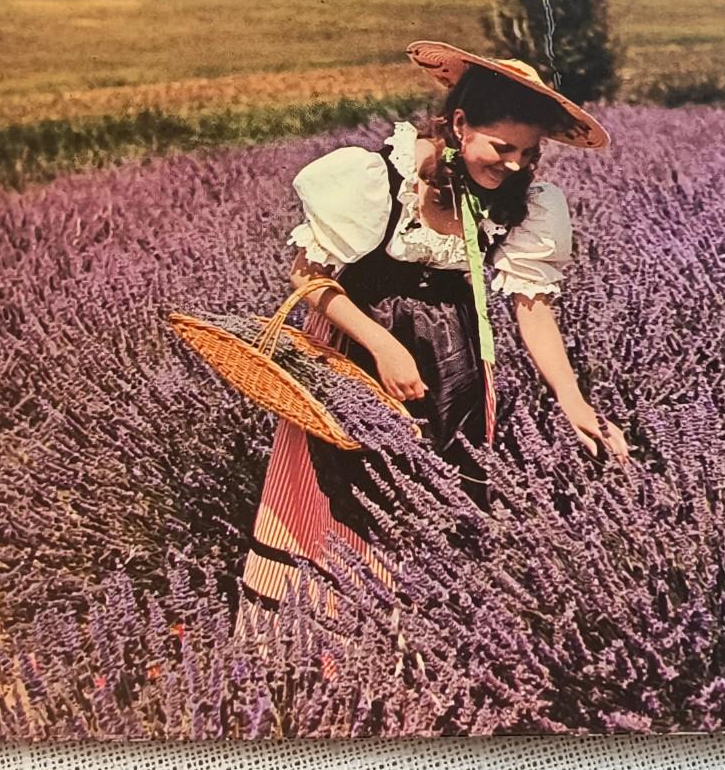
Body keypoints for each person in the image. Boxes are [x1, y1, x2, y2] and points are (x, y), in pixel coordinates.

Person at [237, 41, 630, 628]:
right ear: (460, 123)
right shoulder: (380, 175)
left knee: (433, 495)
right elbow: (307, 277)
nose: (516, 165)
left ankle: (407, 647)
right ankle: (309, 648)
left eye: (529, 152)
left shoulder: (526, 201)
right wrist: (382, 344)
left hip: (454, 364)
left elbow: (532, 306)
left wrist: (572, 401)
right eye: (502, 148)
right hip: (357, 352)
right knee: (338, 492)